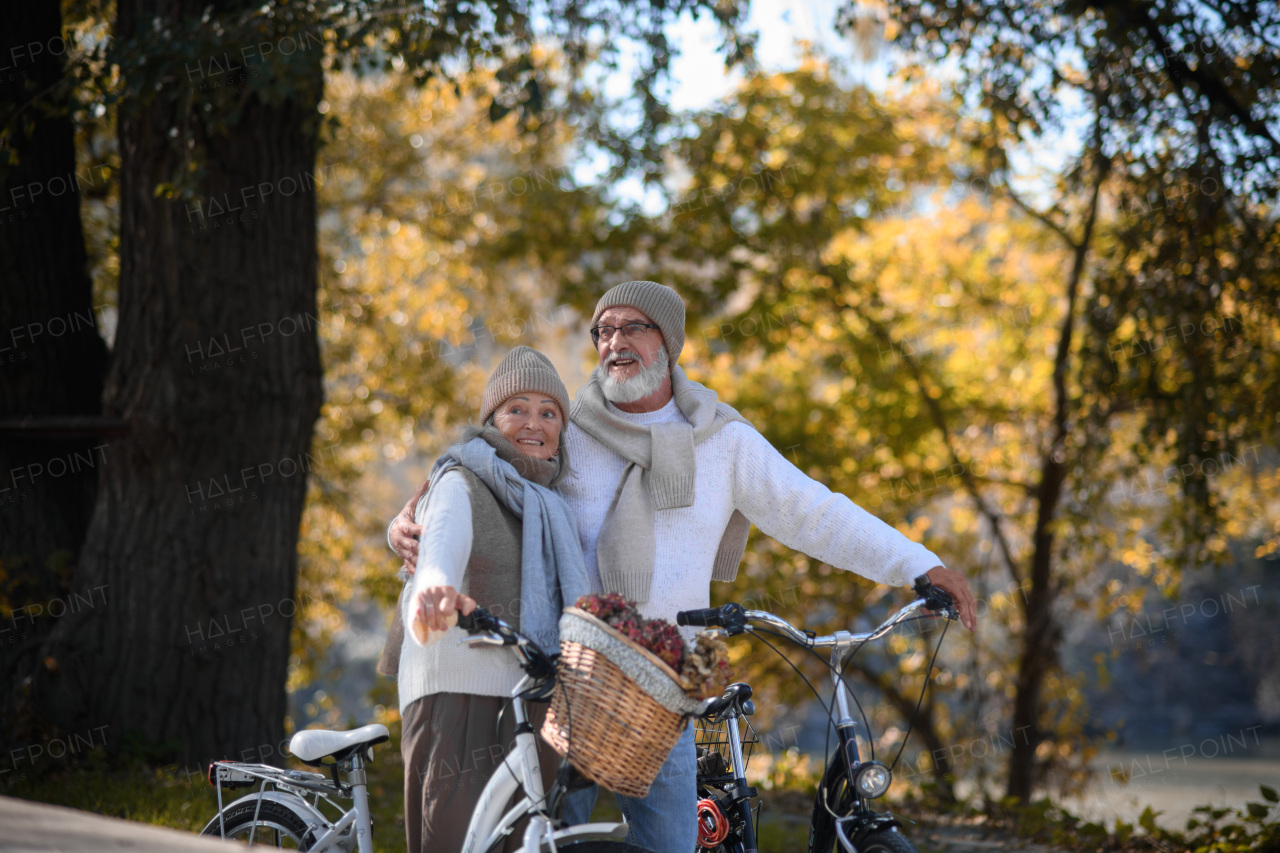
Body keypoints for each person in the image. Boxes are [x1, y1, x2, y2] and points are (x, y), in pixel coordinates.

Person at [389, 281, 978, 852]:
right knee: (554, 843)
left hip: (665, 688)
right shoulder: (568, 429)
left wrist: (920, 565)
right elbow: (483, 465)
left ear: (668, 342)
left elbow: (814, 511)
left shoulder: (723, 442)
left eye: (633, 327)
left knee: (670, 844)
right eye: (604, 329)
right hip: (567, 681)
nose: (615, 341)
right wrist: (410, 515)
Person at [389, 345, 593, 853]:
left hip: (532, 695)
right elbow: (443, 538)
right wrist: (436, 584)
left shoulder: (553, 508)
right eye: (517, 408)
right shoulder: (461, 478)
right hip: (458, 688)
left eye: (549, 413)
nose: (533, 423)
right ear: (491, 418)